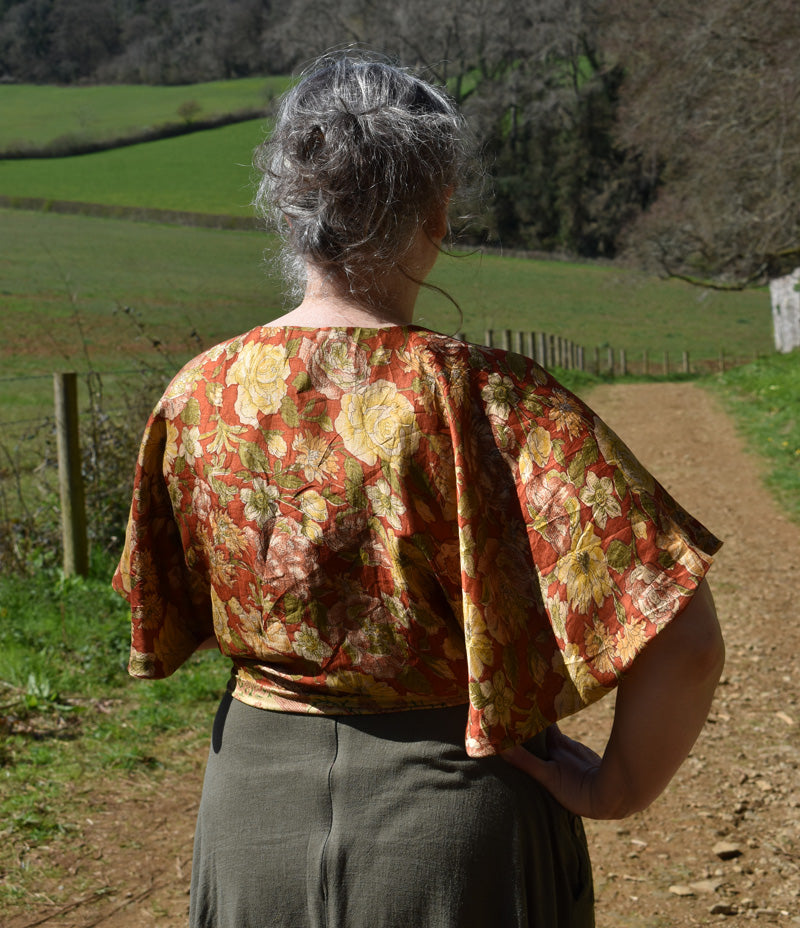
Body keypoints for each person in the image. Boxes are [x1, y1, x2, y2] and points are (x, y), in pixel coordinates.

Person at [113, 52, 724, 928]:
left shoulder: (195, 396)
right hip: (459, 830)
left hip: (252, 828)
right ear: (436, 214)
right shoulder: (490, 399)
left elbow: (162, 615)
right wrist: (616, 787)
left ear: (292, 213)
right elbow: (686, 641)